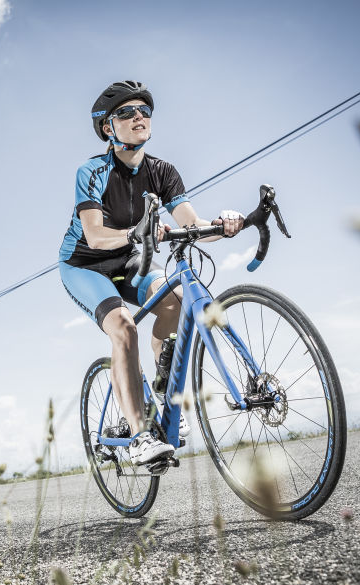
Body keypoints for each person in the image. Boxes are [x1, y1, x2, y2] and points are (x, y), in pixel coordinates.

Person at [59, 80, 245, 468]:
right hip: (85, 264)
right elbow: (93, 234)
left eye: (143, 109)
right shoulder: (92, 171)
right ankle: (139, 434)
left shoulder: (163, 172)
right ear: (109, 128)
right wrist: (133, 232)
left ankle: (162, 386)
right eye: (126, 112)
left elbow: (192, 223)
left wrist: (226, 222)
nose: (138, 115)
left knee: (175, 300)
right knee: (124, 327)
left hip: (130, 262)